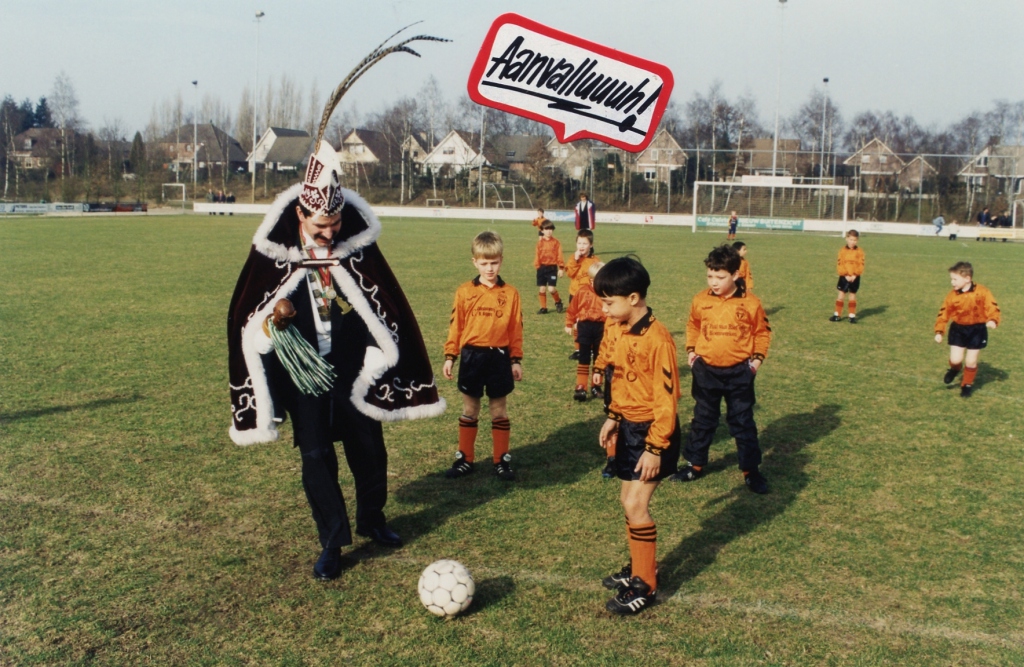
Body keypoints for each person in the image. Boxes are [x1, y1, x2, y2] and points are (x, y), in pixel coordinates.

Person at [227, 140, 446, 581]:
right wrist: (274, 323)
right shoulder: (272, 255)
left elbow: (383, 302)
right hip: (301, 368)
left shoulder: (354, 246)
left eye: (336, 223)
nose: (330, 233)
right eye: (321, 226)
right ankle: (331, 541)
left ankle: (372, 518)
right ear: (300, 215)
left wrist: (371, 349)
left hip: (349, 362)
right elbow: (245, 319)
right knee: (316, 453)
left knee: (368, 444)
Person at [591, 256, 680, 615]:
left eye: (608, 302)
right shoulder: (624, 330)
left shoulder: (658, 340)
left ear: (633, 298)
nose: (604, 309)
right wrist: (614, 417)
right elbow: (626, 384)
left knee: (636, 505)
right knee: (627, 500)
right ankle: (639, 566)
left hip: (654, 434)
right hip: (629, 428)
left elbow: (667, 400)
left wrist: (655, 448)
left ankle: (646, 584)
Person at [671, 244, 771, 494]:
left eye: (720, 277)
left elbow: (762, 333)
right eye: (710, 276)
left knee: (742, 421)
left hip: (739, 372)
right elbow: (693, 325)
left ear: (736, 275)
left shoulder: (751, 303)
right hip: (706, 371)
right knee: (703, 419)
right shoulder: (700, 300)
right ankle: (694, 465)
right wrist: (692, 352)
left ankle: (751, 471)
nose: (713, 282)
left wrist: (755, 363)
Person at [442, 231, 524, 481]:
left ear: (501, 260)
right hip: (472, 357)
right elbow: (456, 326)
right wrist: (450, 355)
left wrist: (515, 360)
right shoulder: (465, 291)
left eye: (494, 262)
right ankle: (465, 459)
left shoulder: (510, 293)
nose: (490, 268)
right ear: (475, 262)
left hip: (499, 357)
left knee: (498, 410)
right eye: (484, 263)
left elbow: (515, 329)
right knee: (470, 408)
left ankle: (501, 460)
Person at [934, 261, 1000, 398]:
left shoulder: (982, 292)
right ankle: (955, 369)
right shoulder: (952, 295)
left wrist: (993, 319)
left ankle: (966, 385)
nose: (952, 282)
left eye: (955, 279)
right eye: (951, 279)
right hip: (958, 329)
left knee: (971, 361)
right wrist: (939, 331)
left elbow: (992, 306)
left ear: (967, 278)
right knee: (956, 359)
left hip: (977, 330)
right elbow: (943, 313)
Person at [565, 261, 606, 403]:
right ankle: (581, 387)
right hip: (585, 327)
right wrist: (569, 323)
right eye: (594, 281)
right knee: (584, 357)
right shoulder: (582, 291)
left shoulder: (607, 293)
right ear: (590, 279)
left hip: (602, 327)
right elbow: (572, 308)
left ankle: (596, 386)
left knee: (599, 358)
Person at [565, 229, 600, 359]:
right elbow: (570, 273)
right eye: (579, 243)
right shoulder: (573, 258)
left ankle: (590, 348)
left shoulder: (595, 261)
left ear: (591, 244)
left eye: (585, 243)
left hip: (589, 297)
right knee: (575, 322)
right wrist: (575, 260)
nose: (581, 246)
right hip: (575, 295)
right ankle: (578, 349)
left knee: (585, 322)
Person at [830, 229, 864, 324]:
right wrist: (845, 274)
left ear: (857, 240)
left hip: (854, 277)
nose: (852, 242)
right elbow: (840, 263)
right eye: (851, 239)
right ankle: (837, 315)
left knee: (852, 295)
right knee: (841, 294)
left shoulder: (860, 251)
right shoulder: (842, 251)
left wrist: (855, 274)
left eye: (855, 240)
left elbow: (861, 264)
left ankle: (851, 316)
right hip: (844, 276)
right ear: (847, 239)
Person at [534, 220, 565, 314]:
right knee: (542, 288)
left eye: (551, 229)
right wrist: (537, 266)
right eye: (546, 229)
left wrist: (561, 268)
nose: (549, 231)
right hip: (542, 268)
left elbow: (559, 255)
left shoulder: (556, 242)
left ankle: (558, 302)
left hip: (552, 268)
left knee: (551, 289)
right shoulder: (540, 243)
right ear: (542, 230)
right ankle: (543, 308)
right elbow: (537, 255)